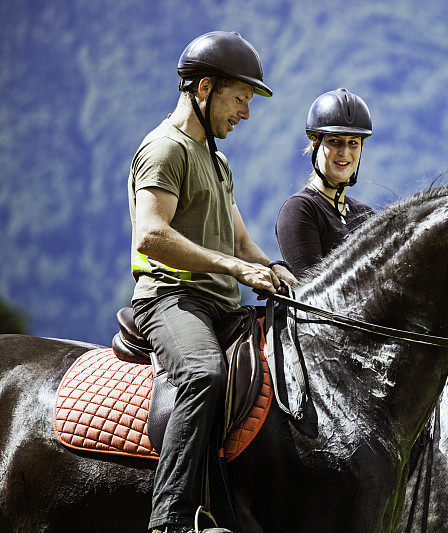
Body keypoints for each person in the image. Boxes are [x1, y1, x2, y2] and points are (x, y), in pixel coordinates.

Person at [127, 31, 296, 533]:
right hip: (171, 300)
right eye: (239, 99)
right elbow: (151, 236)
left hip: (220, 304)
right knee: (203, 375)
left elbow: (242, 244)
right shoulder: (164, 150)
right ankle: (170, 519)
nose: (244, 114)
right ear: (204, 88)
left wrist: (275, 269)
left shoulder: (217, 159)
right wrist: (235, 270)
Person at [275, 88, 375, 276]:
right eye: (335, 141)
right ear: (315, 142)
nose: (344, 152)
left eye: (353, 143)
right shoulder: (299, 209)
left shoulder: (366, 215)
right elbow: (313, 293)